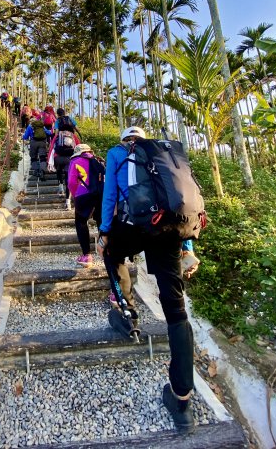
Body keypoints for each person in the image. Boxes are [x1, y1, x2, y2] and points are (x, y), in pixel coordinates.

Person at [97, 126, 200, 435]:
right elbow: (183, 199)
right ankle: (182, 399)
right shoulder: (166, 154)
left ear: (124, 139)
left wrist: (104, 231)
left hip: (136, 224)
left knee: (112, 256)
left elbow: (111, 194)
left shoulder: (118, 153)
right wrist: (188, 247)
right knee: (175, 307)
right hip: (171, 228)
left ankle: (127, 313)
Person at [68, 144, 105, 267]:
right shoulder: (99, 161)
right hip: (101, 195)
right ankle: (106, 253)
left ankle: (87, 256)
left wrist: (75, 195)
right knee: (101, 222)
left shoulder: (75, 161)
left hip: (83, 195)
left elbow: (71, 182)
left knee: (81, 222)